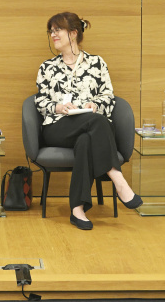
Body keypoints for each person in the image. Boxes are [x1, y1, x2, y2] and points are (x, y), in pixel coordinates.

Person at [35, 12, 142, 230]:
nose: (53, 35)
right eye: (51, 31)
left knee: (87, 137)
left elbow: (108, 96)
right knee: (97, 123)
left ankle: (77, 210)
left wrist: (96, 105)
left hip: (90, 127)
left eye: (58, 30)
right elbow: (40, 101)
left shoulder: (97, 63)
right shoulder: (47, 67)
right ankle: (118, 179)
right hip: (58, 127)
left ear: (73, 33)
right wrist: (59, 107)